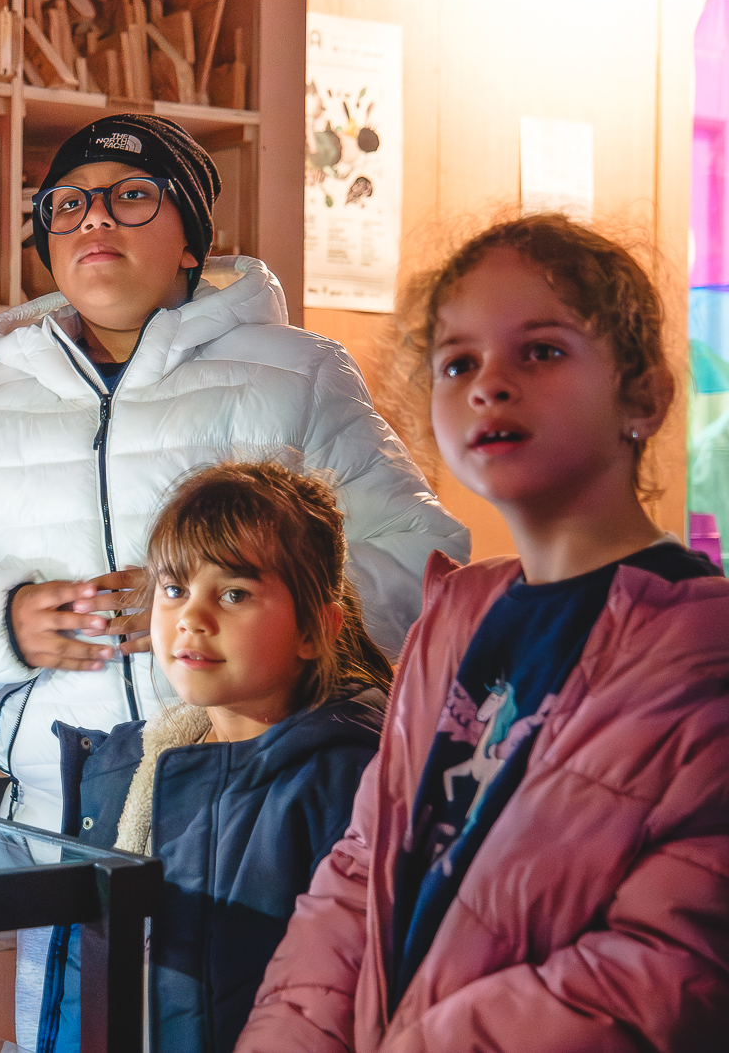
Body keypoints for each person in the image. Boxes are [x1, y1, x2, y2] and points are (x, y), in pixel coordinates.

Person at [0, 113, 468, 1045]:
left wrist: (252, 597)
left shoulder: (298, 374)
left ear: (192, 239)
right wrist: (7, 621)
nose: (94, 219)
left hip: (258, 820)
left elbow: (424, 557)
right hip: (56, 831)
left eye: (131, 196)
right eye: (68, 204)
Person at [236, 216, 729, 1053]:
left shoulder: (702, 647)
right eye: (458, 362)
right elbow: (357, 877)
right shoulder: (454, 617)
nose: (489, 384)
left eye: (541, 351)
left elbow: (666, 967)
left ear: (643, 397)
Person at [43, 461, 387, 1053]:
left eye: (233, 593)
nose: (192, 619)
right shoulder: (126, 764)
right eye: (175, 589)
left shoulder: (349, 783)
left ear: (315, 630)